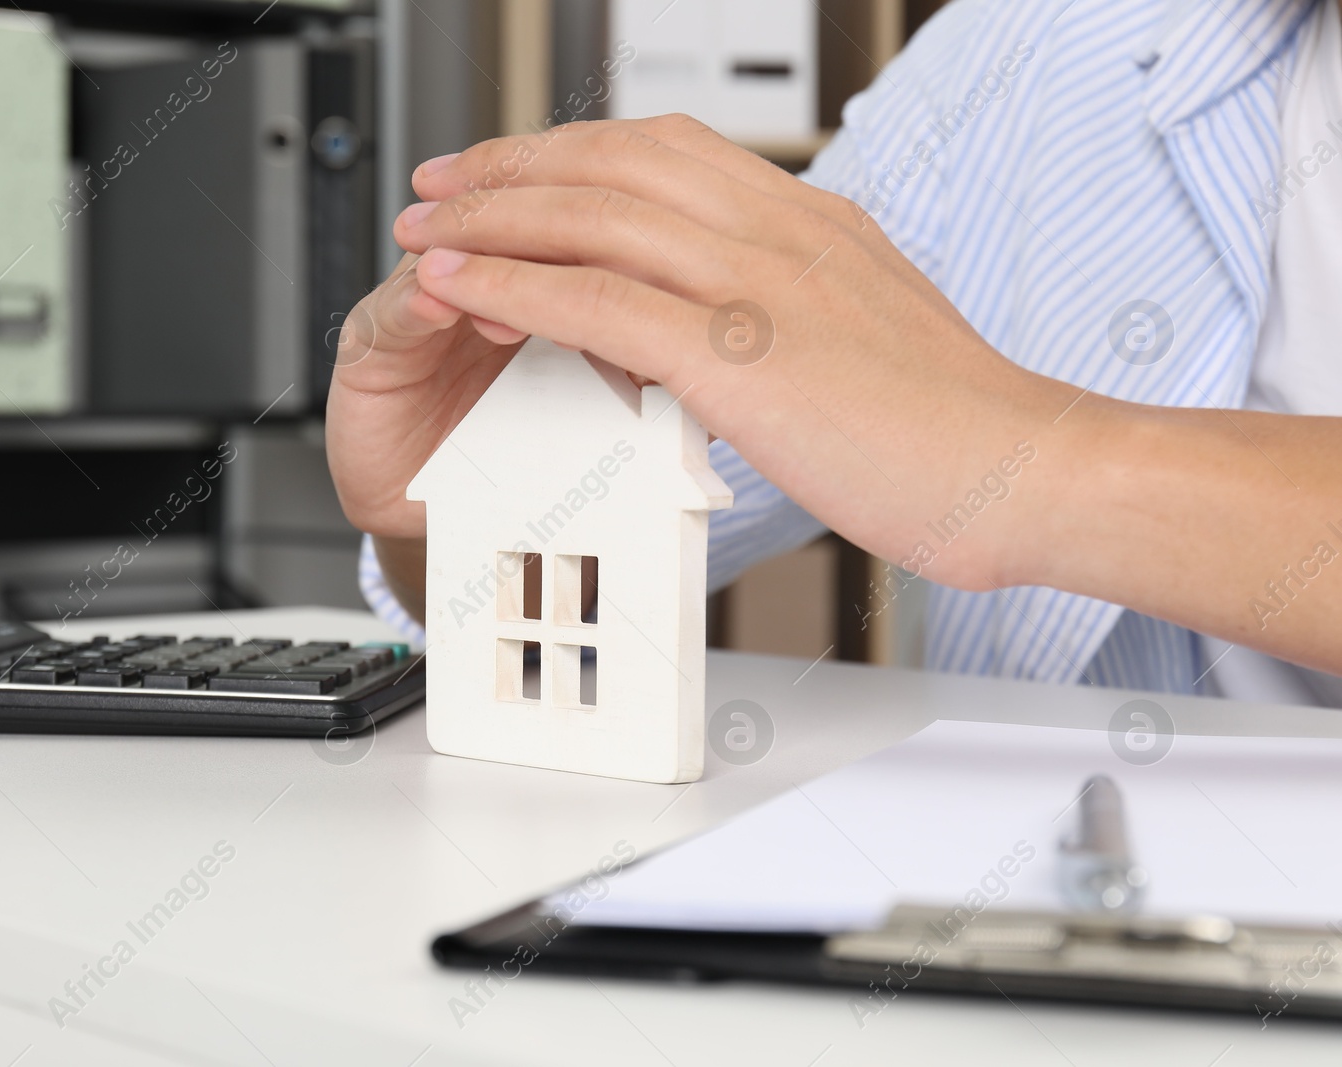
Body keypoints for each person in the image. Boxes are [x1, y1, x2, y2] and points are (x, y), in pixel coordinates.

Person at [326, 0, 1342, 707]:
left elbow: (955, 443)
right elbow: (551, 595)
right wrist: (488, 491)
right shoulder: (1026, 49)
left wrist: (1024, 465)